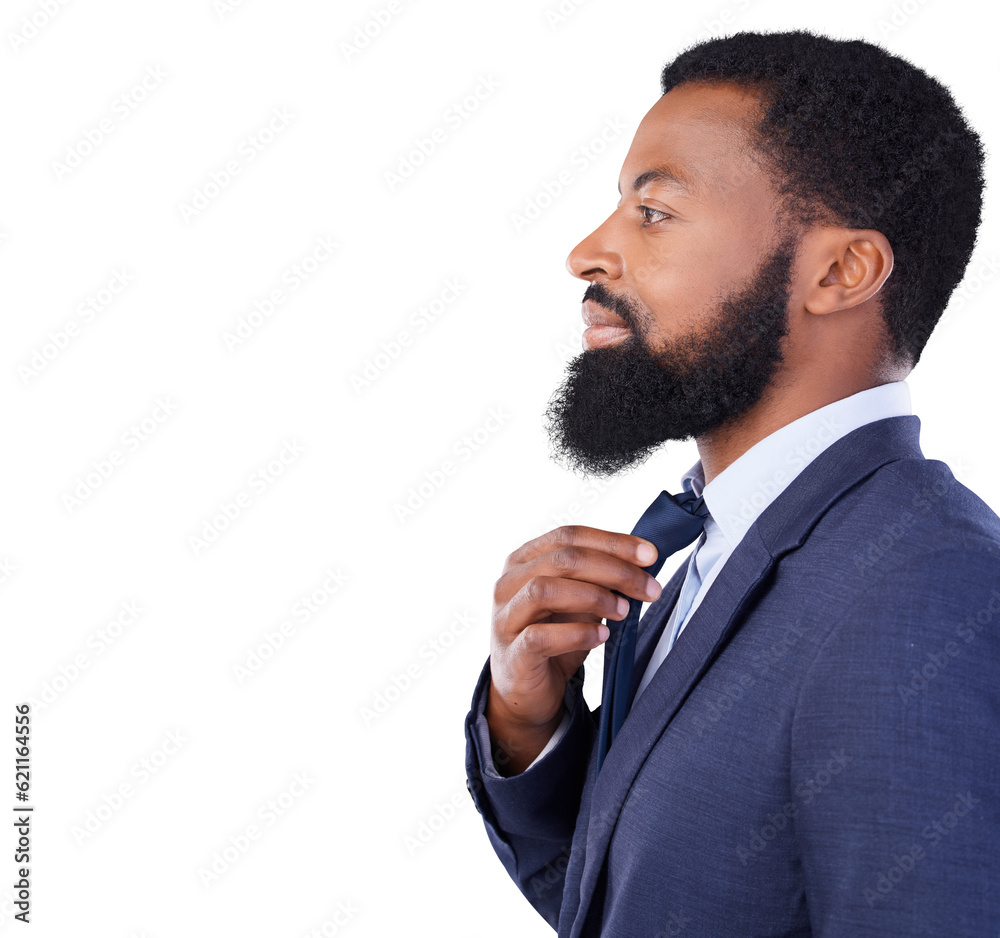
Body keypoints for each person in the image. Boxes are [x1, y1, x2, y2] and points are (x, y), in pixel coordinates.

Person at [463, 29, 1000, 937]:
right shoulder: (714, 545)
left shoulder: (923, 591)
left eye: (655, 211)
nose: (587, 254)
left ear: (841, 270)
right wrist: (531, 725)